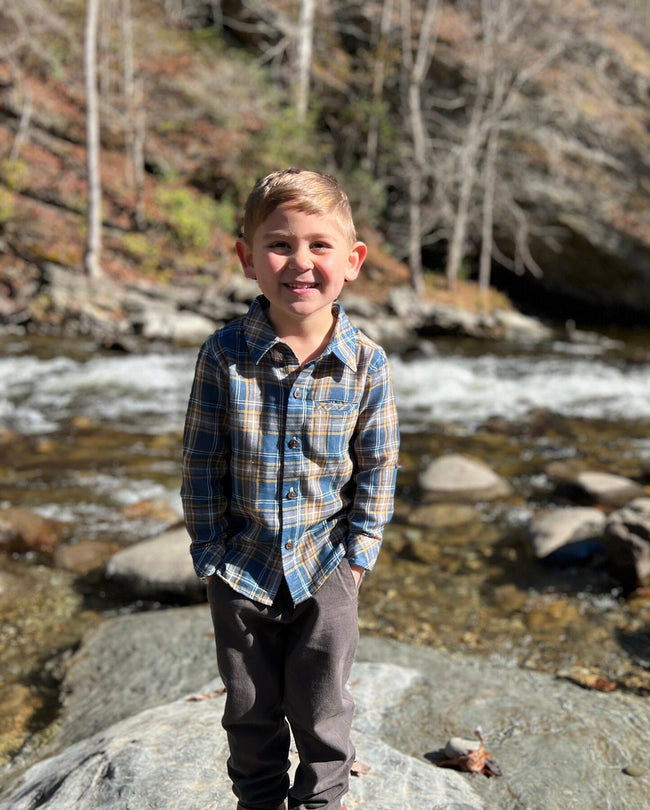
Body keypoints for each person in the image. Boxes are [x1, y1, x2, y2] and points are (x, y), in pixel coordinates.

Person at [181, 168, 399, 810]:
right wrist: (209, 553)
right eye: (279, 244)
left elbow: (378, 467)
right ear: (248, 258)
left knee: (325, 711)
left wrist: (360, 556)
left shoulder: (367, 364)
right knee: (249, 713)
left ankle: (321, 803)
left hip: (328, 566)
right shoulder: (224, 356)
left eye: (319, 245)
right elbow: (199, 461)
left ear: (352, 261)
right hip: (241, 568)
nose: (300, 262)